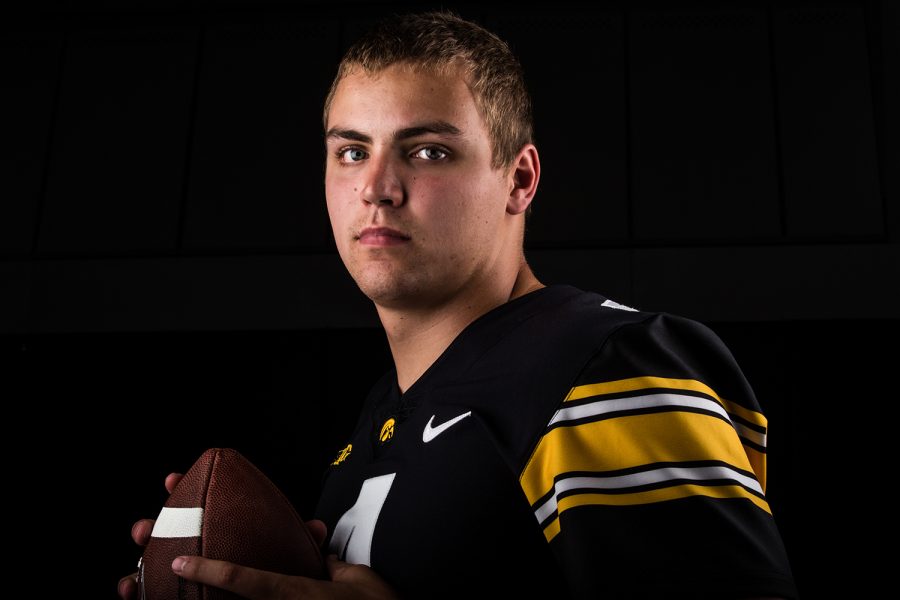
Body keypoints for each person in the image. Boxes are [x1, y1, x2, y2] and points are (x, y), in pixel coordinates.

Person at [120, 10, 797, 600]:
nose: (377, 188)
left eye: (429, 151)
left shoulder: (602, 367)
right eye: (352, 151)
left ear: (520, 179)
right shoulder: (377, 426)